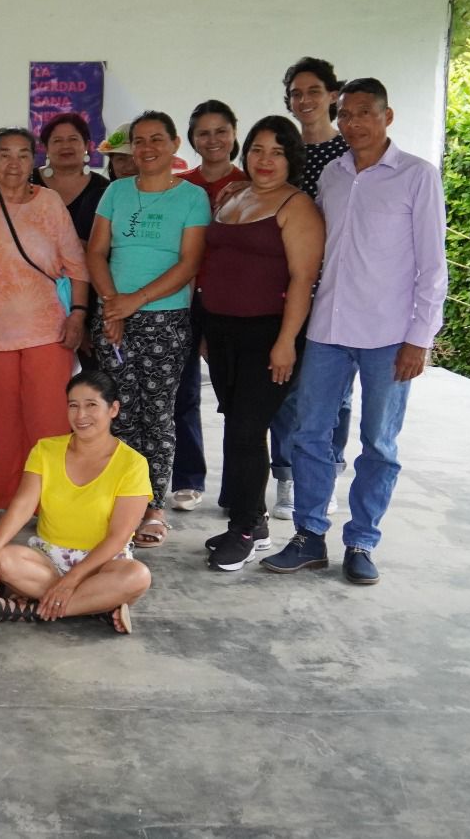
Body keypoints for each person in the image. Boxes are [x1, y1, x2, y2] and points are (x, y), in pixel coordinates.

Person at [262, 78, 446, 586]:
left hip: (390, 334)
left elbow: (433, 266)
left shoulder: (417, 176)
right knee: (310, 436)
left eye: (365, 112)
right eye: (346, 115)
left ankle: (362, 540)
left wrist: (420, 338)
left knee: (379, 444)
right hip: (329, 328)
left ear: (387, 117)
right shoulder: (334, 177)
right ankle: (309, 537)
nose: (354, 123)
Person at [200, 117, 324, 571]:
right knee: (237, 425)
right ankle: (253, 520)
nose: (265, 160)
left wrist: (286, 342)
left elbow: (303, 279)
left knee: (249, 430)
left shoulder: (298, 206)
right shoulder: (233, 197)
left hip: (269, 334)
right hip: (223, 331)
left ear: (291, 157)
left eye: (276, 151)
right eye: (256, 150)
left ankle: (245, 531)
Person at [85, 111, 210, 548]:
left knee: (157, 414)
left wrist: (133, 302)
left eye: (157, 139)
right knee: (117, 414)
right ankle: (121, 501)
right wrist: (112, 308)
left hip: (165, 319)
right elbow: (96, 252)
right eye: (139, 141)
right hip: (113, 316)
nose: (147, 148)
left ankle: (154, 506)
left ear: (175, 143)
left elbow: (189, 263)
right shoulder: (116, 191)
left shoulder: (192, 198)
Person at [0, 128, 88, 509]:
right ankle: (1, 502)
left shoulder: (49, 203)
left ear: (34, 160)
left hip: (47, 331)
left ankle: (52, 503)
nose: (13, 163)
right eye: (4, 154)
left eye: (22, 154)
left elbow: (76, 265)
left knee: (48, 422)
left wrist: (79, 315)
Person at [0, 371, 152, 634]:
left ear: (113, 409)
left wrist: (72, 580)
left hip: (104, 563)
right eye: (73, 405)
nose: (80, 416)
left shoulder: (133, 464)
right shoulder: (46, 450)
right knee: (4, 557)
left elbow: (118, 537)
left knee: (138, 576)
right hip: (49, 558)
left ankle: (33, 610)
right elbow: (22, 507)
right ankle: (95, 606)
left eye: (91, 405)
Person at [269, 56, 352, 519]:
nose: (304, 100)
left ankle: (327, 471)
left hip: (338, 290)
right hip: (285, 287)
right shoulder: (285, 153)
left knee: (336, 392)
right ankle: (286, 475)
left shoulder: (348, 155)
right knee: (285, 386)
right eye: (296, 93)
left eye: (313, 91)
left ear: (332, 95)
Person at [168, 100, 249, 512]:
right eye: (203, 132)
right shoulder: (181, 185)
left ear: (234, 133)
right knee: (184, 394)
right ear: (192, 139)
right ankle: (187, 477)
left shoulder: (252, 183)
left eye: (221, 130)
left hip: (233, 304)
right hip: (185, 300)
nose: (213, 139)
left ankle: (243, 487)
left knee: (238, 401)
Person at [36, 113, 110, 244]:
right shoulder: (28, 181)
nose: (66, 146)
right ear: (46, 147)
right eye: (57, 140)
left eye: (73, 139)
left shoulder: (104, 188)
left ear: (86, 145)